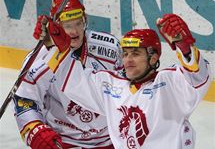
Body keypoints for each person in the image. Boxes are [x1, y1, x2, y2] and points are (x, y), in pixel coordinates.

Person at [34, 13, 211, 149]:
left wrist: (184, 47)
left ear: (153, 57)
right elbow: (73, 80)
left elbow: (197, 78)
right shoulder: (111, 85)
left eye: (135, 54)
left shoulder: (169, 82)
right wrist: (54, 46)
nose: (127, 60)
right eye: (125, 54)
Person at [13, 0, 123, 149]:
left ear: (85, 20)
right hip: (63, 140)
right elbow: (24, 98)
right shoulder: (39, 58)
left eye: (79, 23)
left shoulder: (109, 47)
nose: (74, 31)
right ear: (56, 27)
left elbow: (126, 89)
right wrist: (35, 131)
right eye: (67, 25)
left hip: (110, 138)